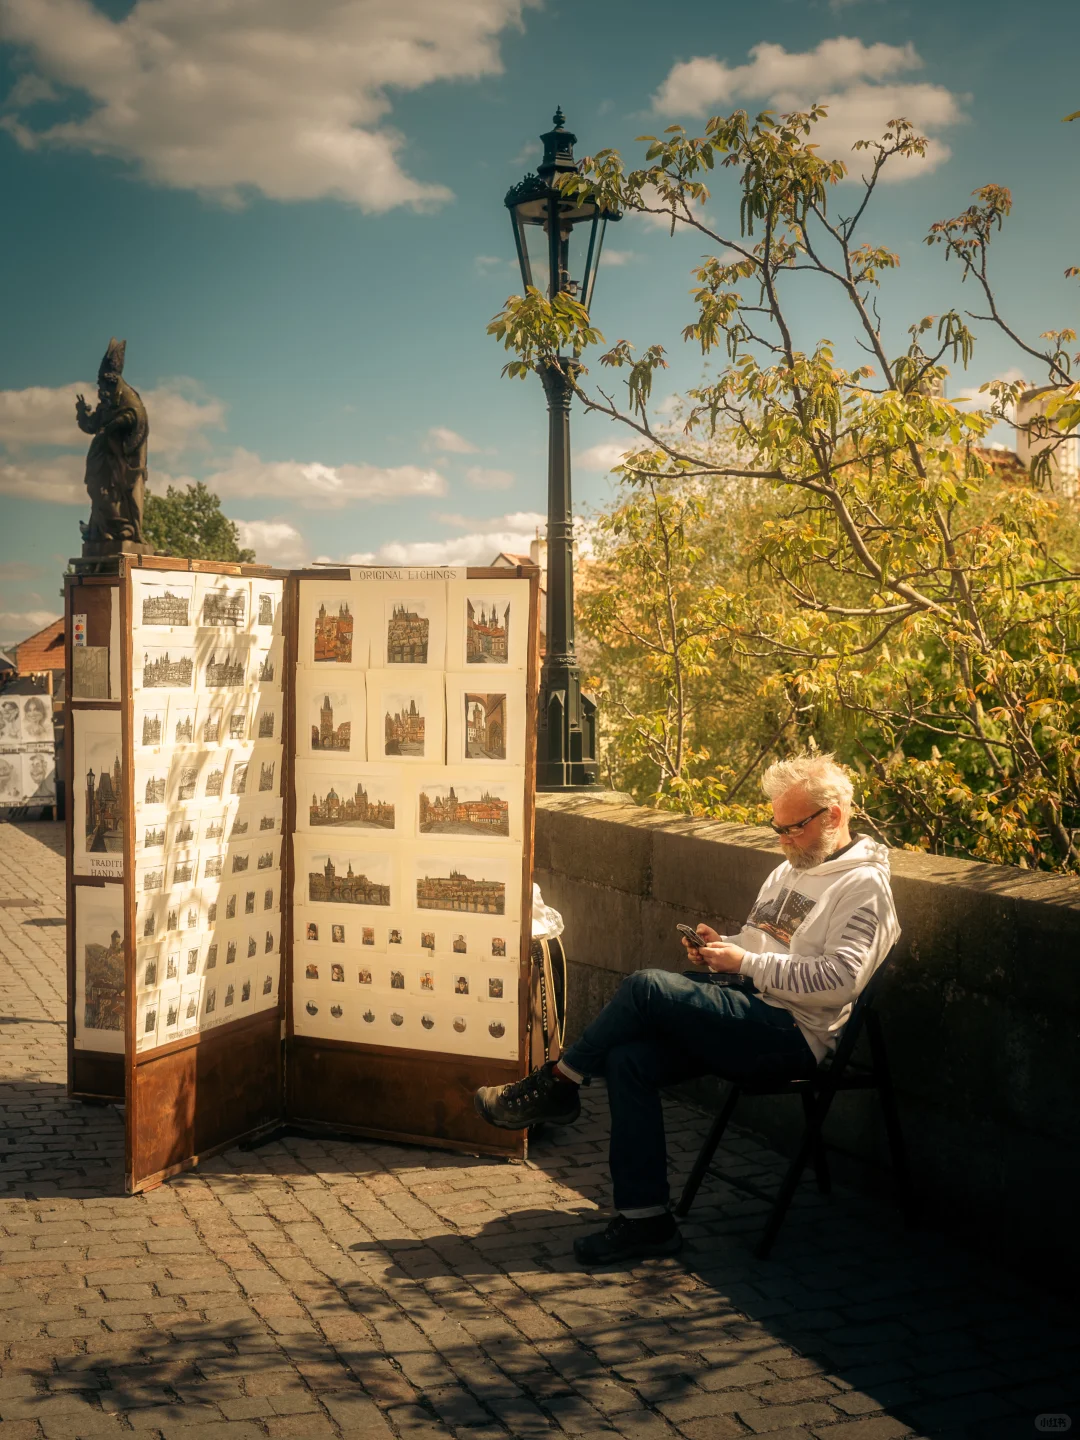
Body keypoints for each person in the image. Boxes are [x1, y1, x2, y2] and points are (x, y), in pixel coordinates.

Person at [474, 751, 900, 1265]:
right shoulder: (789, 870)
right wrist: (723, 947)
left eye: (794, 828)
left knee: (645, 987)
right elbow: (761, 943)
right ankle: (645, 1221)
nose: (784, 840)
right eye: (777, 828)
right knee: (628, 1060)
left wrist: (743, 961)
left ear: (834, 815)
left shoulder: (865, 888)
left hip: (790, 1034)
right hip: (747, 1008)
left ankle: (558, 1083)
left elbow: (840, 980)